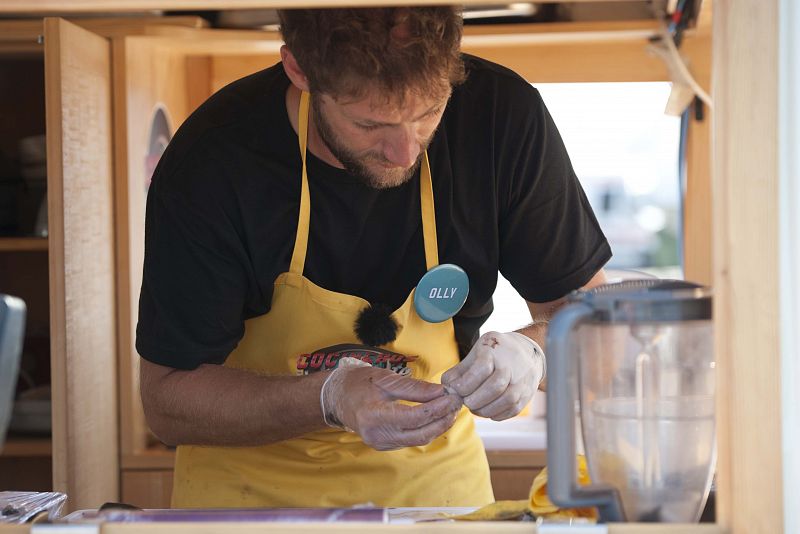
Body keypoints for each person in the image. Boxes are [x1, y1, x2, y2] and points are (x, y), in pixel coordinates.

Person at [136, 7, 611, 509]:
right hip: (250, 507)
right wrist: (329, 397)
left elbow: (593, 322)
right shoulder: (215, 159)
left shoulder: (500, 117)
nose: (405, 152)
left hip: (436, 503)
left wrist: (534, 355)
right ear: (299, 71)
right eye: (370, 123)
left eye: (429, 112)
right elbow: (168, 400)